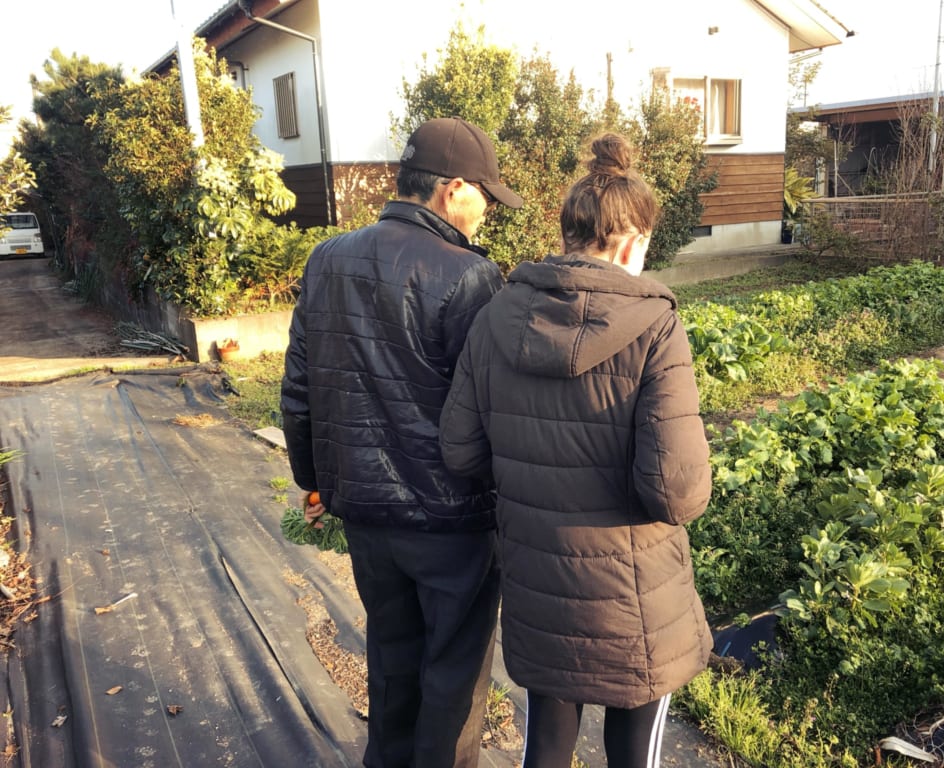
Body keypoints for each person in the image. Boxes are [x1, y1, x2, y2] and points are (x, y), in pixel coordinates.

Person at [439, 133, 713, 768]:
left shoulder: (496, 316)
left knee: (545, 751)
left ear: (566, 234)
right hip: (635, 603)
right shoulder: (656, 327)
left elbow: (460, 451)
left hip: (540, 587)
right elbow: (677, 494)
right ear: (632, 243)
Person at [280, 116, 523, 768]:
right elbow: (491, 412)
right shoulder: (470, 275)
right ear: (452, 190)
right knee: (453, 677)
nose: (487, 211)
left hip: (364, 513)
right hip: (452, 522)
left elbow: (298, 389)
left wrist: (315, 484)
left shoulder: (328, 258)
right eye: (485, 196)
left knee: (391, 658)